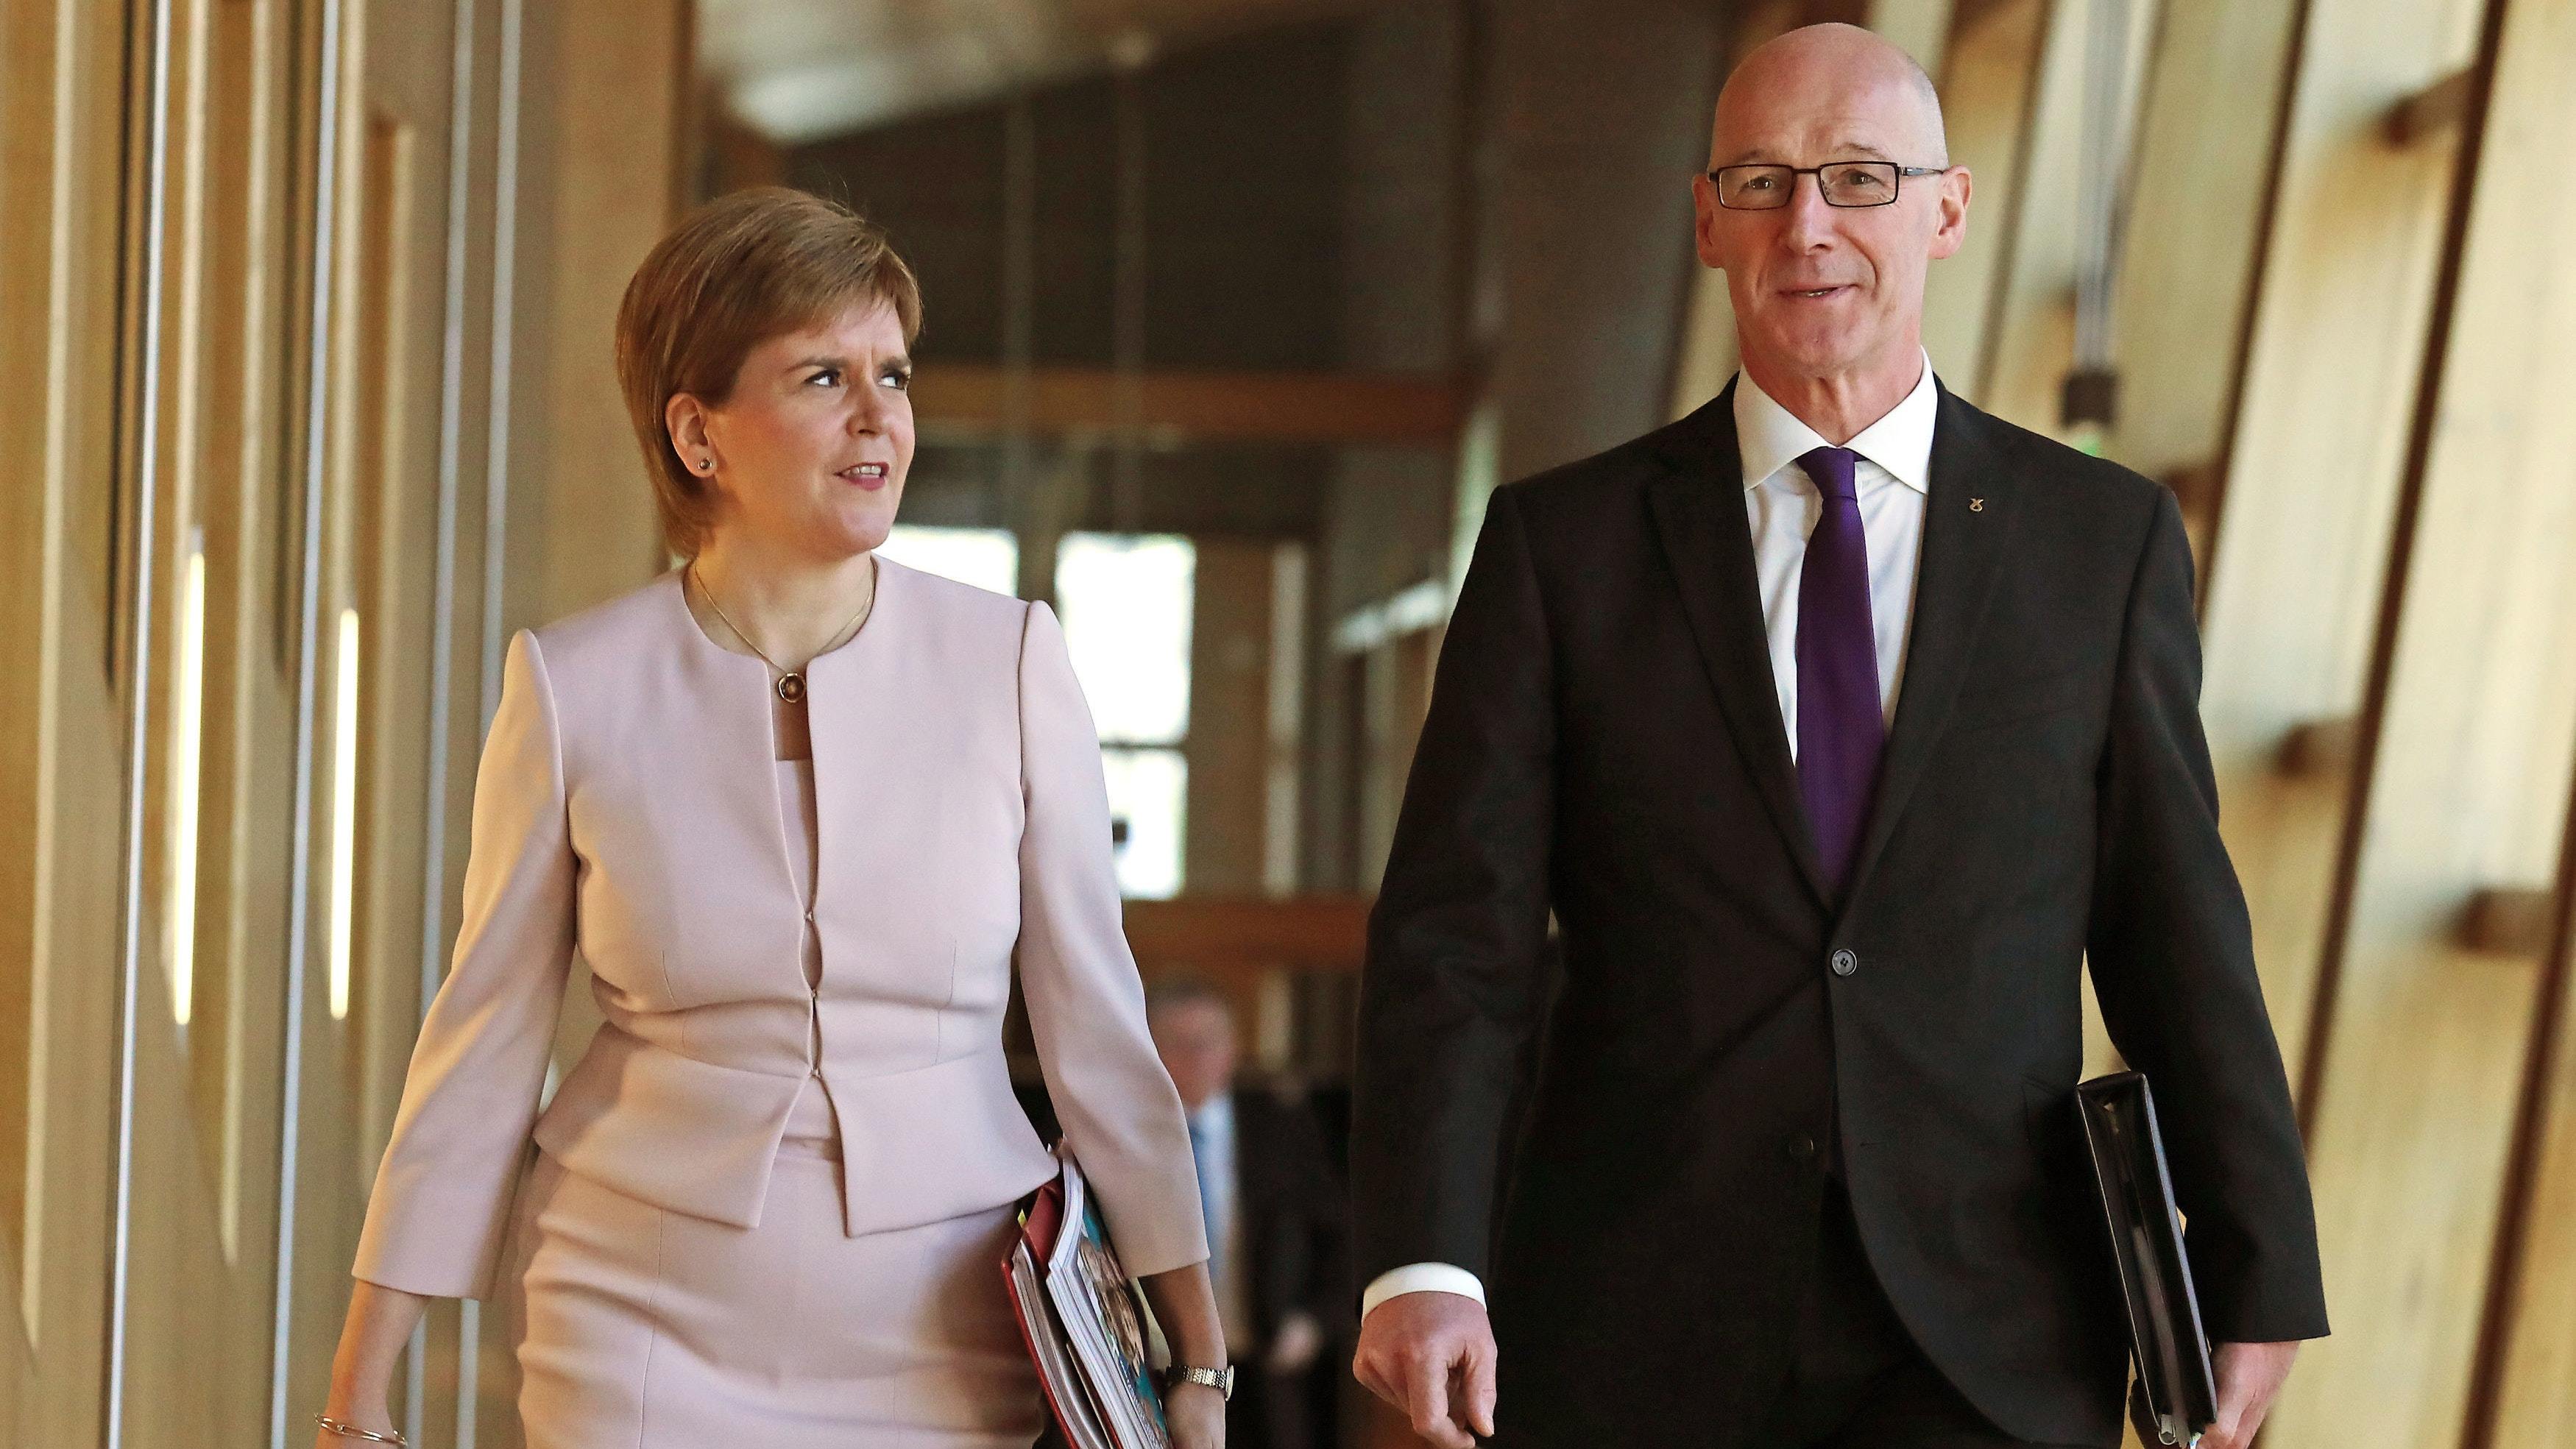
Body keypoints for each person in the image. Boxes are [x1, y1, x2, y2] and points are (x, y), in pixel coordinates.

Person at [1347, 24, 2326, 1449]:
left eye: (1857, 177)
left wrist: (2257, 1258)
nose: (1806, 225)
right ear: (1704, 220)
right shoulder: (1561, 548)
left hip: (1990, 1325)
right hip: (1635, 1319)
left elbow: (2172, 919)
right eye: (1760, 180)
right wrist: (1424, 1259)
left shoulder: (2094, 543)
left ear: (1945, 211)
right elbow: (1457, 938)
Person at [314, 188, 1229, 1449]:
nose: (880, 417)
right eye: (822, 376)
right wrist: (360, 1389)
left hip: (947, 1334)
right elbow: (482, 1039)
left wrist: (1197, 1357)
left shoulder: (1011, 660)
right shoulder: (573, 683)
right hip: (632, 1314)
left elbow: (1098, 1030)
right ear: (699, 434)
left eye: (893, 373)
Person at [1148, 982, 1351, 1449]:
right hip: (1150, 1371)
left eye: (1210, 1040)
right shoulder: (1119, 1136)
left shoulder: (1280, 1127)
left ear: (1233, 1047)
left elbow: (1340, 1235)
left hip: (1261, 1366)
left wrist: (1315, 1321)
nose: (1197, 1055)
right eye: (1178, 1043)